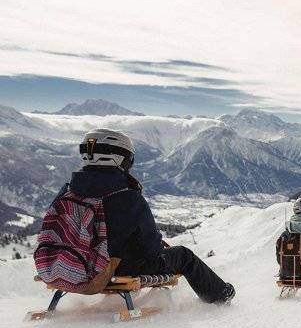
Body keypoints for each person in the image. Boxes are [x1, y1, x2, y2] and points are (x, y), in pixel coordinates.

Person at [51, 128, 235, 304]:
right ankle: (219, 296)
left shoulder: (68, 191)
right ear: (120, 158)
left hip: (72, 265)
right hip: (118, 269)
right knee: (184, 255)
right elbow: (152, 251)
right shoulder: (128, 197)